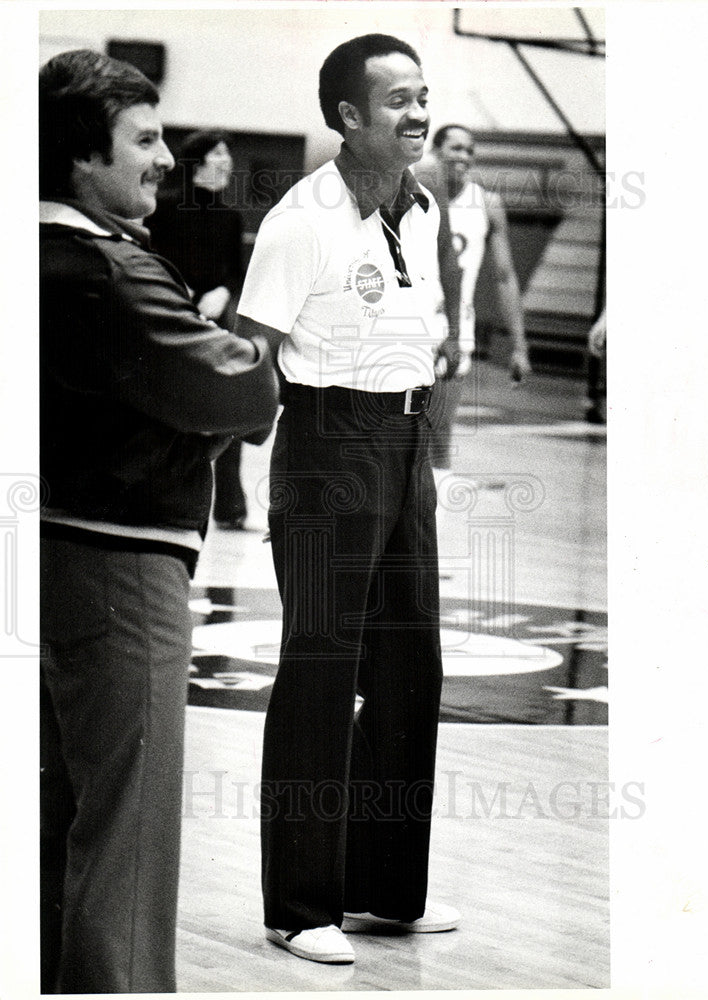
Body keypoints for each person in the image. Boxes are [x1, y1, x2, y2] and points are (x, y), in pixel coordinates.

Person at [39, 50, 277, 994]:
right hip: (120, 566)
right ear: (78, 160)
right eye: (144, 139)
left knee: (60, 812)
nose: (168, 157)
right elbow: (238, 389)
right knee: (130, 827)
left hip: (49, 556)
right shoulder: (107, 270)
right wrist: (254, 360)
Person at [236, 33, 461, 965]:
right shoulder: (301, 221)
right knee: (322, 671)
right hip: (330, 444)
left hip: (405, 445)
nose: (418, 115)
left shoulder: (424, 203)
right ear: (347, 118)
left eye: (423, 97)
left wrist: (426, 450)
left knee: (412, 669)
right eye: (398, 100)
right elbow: (250, 353)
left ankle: (380, 888)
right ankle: (300, 905)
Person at [149, 130, 251, 529]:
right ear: (198, 162)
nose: (226, 161)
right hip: (172, 313)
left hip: (216, 316)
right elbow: (152, 258)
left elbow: (232, 269)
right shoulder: (165, 207)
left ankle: (230, 504)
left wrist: (223, 292)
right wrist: (182, 289)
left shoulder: (230, 216)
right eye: (218, 153)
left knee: (229, 404)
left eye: (228, 153)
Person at [417, 123, 532, 470]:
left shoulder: (487, 203)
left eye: (470, 150)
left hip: (454, 331)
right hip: (405, 324)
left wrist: (519, 346)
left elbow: (504, 276)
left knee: (438, 433)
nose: (464, 156)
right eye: (456, 148)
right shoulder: (410, 191)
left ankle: (427, 517)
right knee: (391, 434)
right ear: (435, 152)